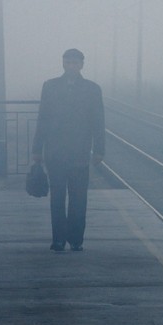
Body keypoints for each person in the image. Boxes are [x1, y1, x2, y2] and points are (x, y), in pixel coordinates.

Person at [32, 48, 105, 253]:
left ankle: (75, 240)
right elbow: (43, 119)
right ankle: (58, 240)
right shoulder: (50, 86)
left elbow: (99, 121)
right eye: (68, 62)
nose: (72, 66)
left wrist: (99, 149)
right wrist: (37, 149)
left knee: (79, 198)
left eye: (75, 63)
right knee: (57, 197)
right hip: (55, 152)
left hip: (80, 152)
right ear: (63, 64)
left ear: (82, 65)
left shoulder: (93, 89)